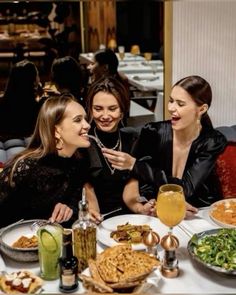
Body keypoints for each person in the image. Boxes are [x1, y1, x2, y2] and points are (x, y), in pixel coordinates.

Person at [121, 75, 227, 216]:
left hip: (199, 213)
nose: (171, 108)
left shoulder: (212, 141)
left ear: (201, 109)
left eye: (180, 104)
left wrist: (136, 165)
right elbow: (133, 179)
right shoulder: (152, 132)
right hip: (159, 211)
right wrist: (141, 206)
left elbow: (186, 188)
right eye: (171, 101)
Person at [0, 93, 91, 228]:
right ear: (56, 131)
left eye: (85, 119)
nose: (87, 125)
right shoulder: (26, 167)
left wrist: (68, 208)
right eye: (78, 120)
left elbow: (74, 199)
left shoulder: (79, 159)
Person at [83, 76, 139, 223]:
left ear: (122, 111)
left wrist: (140, 207)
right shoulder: (84, 142)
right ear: (90, 110)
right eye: (98, 109)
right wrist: (93, 211)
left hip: (129, 217)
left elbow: (133, 181)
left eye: (112, 109)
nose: (105, 116)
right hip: (97, 219)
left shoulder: (132, 138)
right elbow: (86, 186)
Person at [0, 60, 42, 141]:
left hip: (6, 140)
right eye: (37, 75)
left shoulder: (2, 103)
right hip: (27, 142)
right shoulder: (36, 106)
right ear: (33, 81)